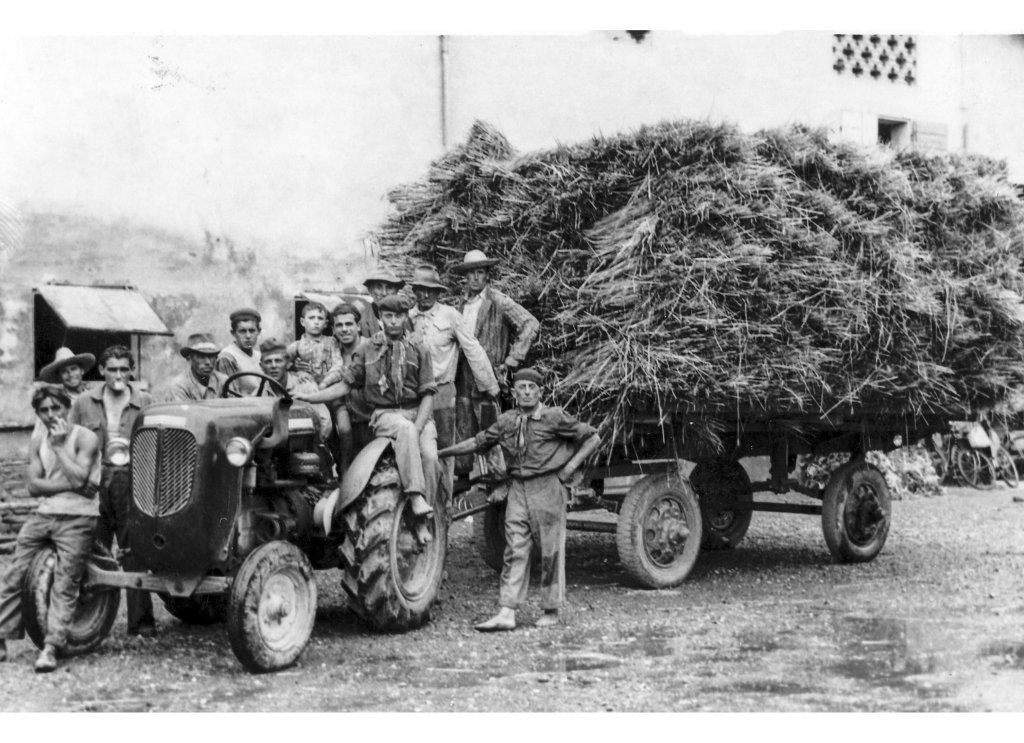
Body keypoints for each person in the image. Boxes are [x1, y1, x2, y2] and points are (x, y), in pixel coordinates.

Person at [438, 368, 600, 632]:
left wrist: (569, 470)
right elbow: (478, 442)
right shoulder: (507, 421)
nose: (526, 392)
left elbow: (592, 437)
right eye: (521, 388)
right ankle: (507, 611)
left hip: (548, 488)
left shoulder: (553, 417)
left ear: (540, 392)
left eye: (531, 388)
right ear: (513, 393)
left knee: (550, 550)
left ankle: (551, 609)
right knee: (514, 548)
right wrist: (443, 452)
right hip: (518, 490)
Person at [294, 294, 438, 526]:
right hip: (386, 414)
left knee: (430, 458)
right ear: (380, 319)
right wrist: (310, 397)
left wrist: (420, 427)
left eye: (398, 316)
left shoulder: (420, 349)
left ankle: (426, 519)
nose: (393, 321)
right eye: (388, 316)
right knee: (404, 428)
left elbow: (428, 394)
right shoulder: (368, 350)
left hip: (418, 413)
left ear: (405, 318)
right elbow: (344, 385)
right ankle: (415, 496)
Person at [0, 385, 101, 672]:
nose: (50, 414)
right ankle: (2, 639)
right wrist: (74, 484)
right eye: (43, 410)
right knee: (13, 573)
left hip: (78, 517)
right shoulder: (36, 440)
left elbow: (82, 474)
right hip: (44, 513)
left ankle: (51, 647)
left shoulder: (86, 437)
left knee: (65, 581)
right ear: (38, 414)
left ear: (67, 408)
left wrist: (59, 448)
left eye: (56, 408)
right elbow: (34, 486)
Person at [69, 345, 155, 637]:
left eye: (123, 369)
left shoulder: (144, 401)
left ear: (131, 371)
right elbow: (71, 443)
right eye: (112, 369)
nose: (118, 375)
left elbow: (156, 446)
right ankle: (89, 621)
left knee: (134, 548)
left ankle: (141, 623)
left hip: (132, 480)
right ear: (102, 371)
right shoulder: (83, 403)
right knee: (93, 549)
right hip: (95, 480)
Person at [408, 264, 499, 504]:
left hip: (442, 391)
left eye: (430, 291)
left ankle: (444, 502)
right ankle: (421, 500)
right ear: (414, 291)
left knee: (444, 449)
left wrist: (490, 386)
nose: (425, 295)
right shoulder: (407, 318)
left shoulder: (450, 316)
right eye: (420, 290)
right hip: (415, 394)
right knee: (417, 449)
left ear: (438, 292)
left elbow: (473, 349)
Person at [318, 302, 373, 473]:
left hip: (368, 416)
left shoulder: (371, 347)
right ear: (333, 329)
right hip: (342, 413)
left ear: (358, 326)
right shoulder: (332, 352)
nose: (344, 329)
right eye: (339, 325)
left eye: (349, 324)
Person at [257, 338, 333, 438]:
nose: (273, 366)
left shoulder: (305, 386)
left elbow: (325, 421)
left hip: (305, 444)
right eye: (268, 362)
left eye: (278, 361)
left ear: (288, 364)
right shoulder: (259, 393)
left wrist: (316, 443)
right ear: (261, 366)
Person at [33, 347, 96, 441]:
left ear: (82, 370)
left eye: (73, 369)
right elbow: (38, 436)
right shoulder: (54, 401)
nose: (70, 374)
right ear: (59, 377)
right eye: (64, 372)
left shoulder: (95, 397)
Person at [215, 307, 263, 395]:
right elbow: (231, 396)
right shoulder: (227, 357)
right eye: (242, 331)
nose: (248, 336)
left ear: (259, 331)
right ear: (233, 333)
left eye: (252, 331)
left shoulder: (259, 355)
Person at [287, 301, 337, 386]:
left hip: (328, 387)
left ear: (325, 324)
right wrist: (297, 372)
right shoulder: (295, 347)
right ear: (302, 322)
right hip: (305, 388)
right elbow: (284, 368)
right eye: (311, 318)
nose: (316, 322)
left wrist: (325, 382)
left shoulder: (332, 342)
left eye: (320, 318)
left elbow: (337, 365)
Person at [166, 333, 225, 401]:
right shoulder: (180, 386)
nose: (208, 362)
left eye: (211, 356)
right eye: (201, 357)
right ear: (189, 358)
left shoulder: (222, 380)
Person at [359, 267, 407, 338]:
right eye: (379, 287)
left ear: (396, 290)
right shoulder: (361, 318)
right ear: (370, 290)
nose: (384, 293)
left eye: (389, 288)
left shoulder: (406, 318)